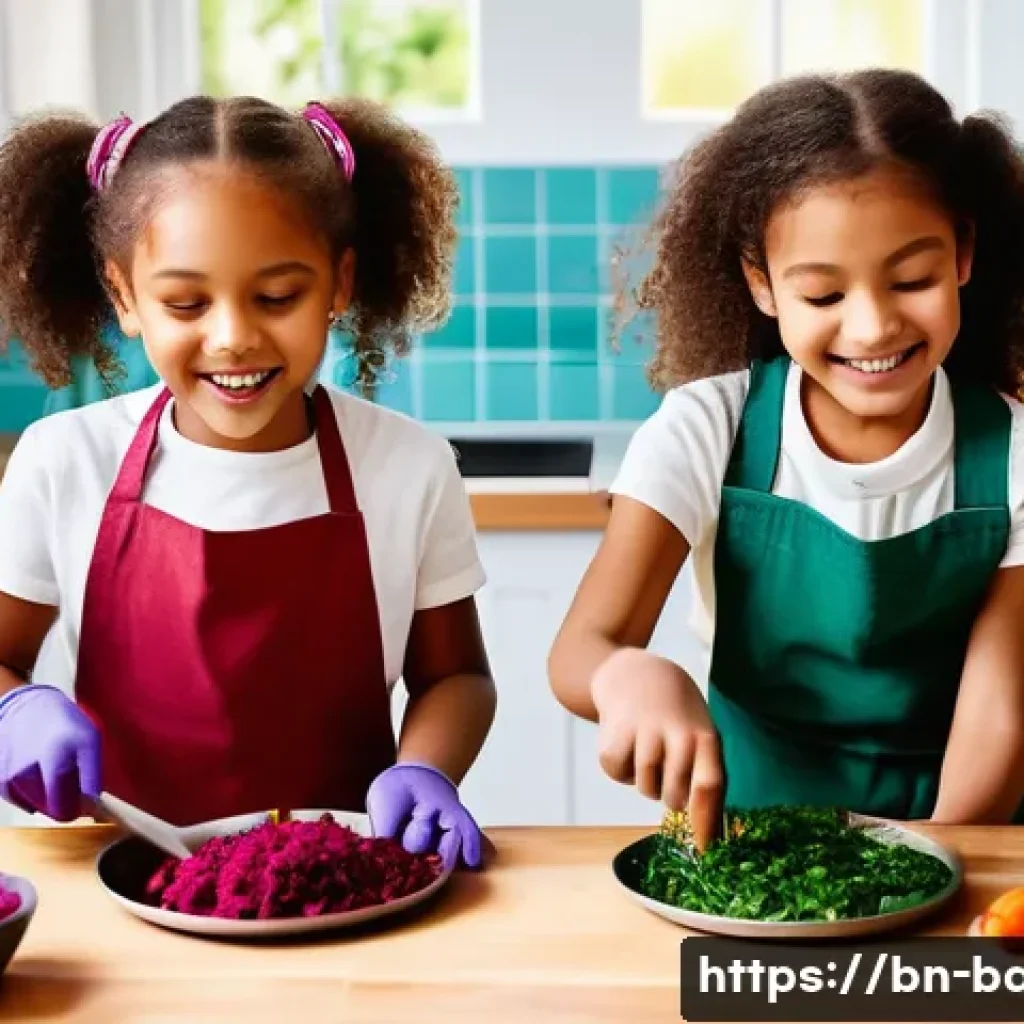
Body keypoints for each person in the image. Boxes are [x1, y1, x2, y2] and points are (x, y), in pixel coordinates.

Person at [0, 95, 496, 871]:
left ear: (339, 283)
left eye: (276, 297)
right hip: (125, 876)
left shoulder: (408, 466)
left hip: (345, 880)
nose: (233, 337)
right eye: (185, 303)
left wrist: (427, 769)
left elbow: (456, 675)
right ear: (125, 296)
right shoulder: (65, 460)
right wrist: (17, 707)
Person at [549, 69, 1024, 850]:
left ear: (963, 252)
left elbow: (998, 715)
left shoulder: (1012, 454)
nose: (872, 327)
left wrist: (922, 861)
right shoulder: (707, 429)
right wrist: (626, 674)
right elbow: (580, 650)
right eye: (824, 296)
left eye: (912, 279)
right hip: (749, 838)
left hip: (960, 831)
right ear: (762, 283)